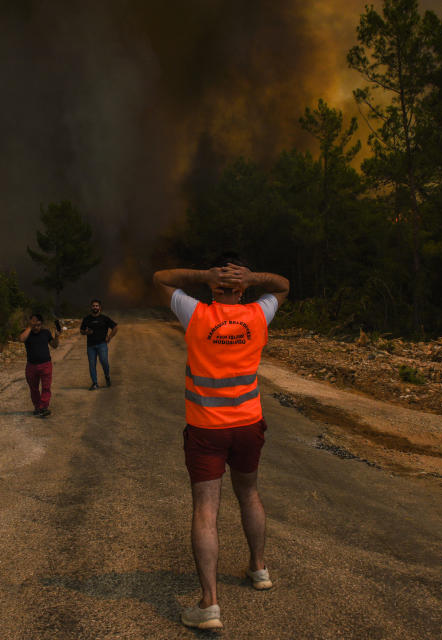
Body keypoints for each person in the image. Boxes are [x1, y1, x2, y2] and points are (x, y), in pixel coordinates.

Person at [153, 257, 289, 631]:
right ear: (243, 289)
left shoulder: (194, 313)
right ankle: (258, 568)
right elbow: (283, 285)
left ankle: (209, 604)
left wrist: (202, 276)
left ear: (214, 288)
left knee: (206, 509)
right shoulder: (258, 315)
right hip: (247, 424)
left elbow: (160, 278)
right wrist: (255, 276)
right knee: (249, 494)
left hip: (205, 428)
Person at [19, 313, 59, 417]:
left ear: (41, 323)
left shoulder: (46, 332)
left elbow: (54, 345)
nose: (35, 326)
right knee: (34, 388)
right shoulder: (26, 332)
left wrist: (57, 337)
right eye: (33, 322)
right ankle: (37, 407)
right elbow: (22, 339)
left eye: (37, 323)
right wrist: (30, 327)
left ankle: (43, 407)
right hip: (31, 366)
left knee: (46, 388)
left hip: (46, 364)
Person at [79, 299, 118, 390]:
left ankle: (107, 376)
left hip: (102, 345)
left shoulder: (104, 318)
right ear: (91, 307)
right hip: (91, 346)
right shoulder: (87, 319)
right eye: (93, 306)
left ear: (100, 307)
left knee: (104, 362)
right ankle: (95, 383)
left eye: (97, 306)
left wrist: (109, 337)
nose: (95, 307)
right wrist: (86, 332)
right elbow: (81, 331)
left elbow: (115, 327)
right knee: (92, 364)